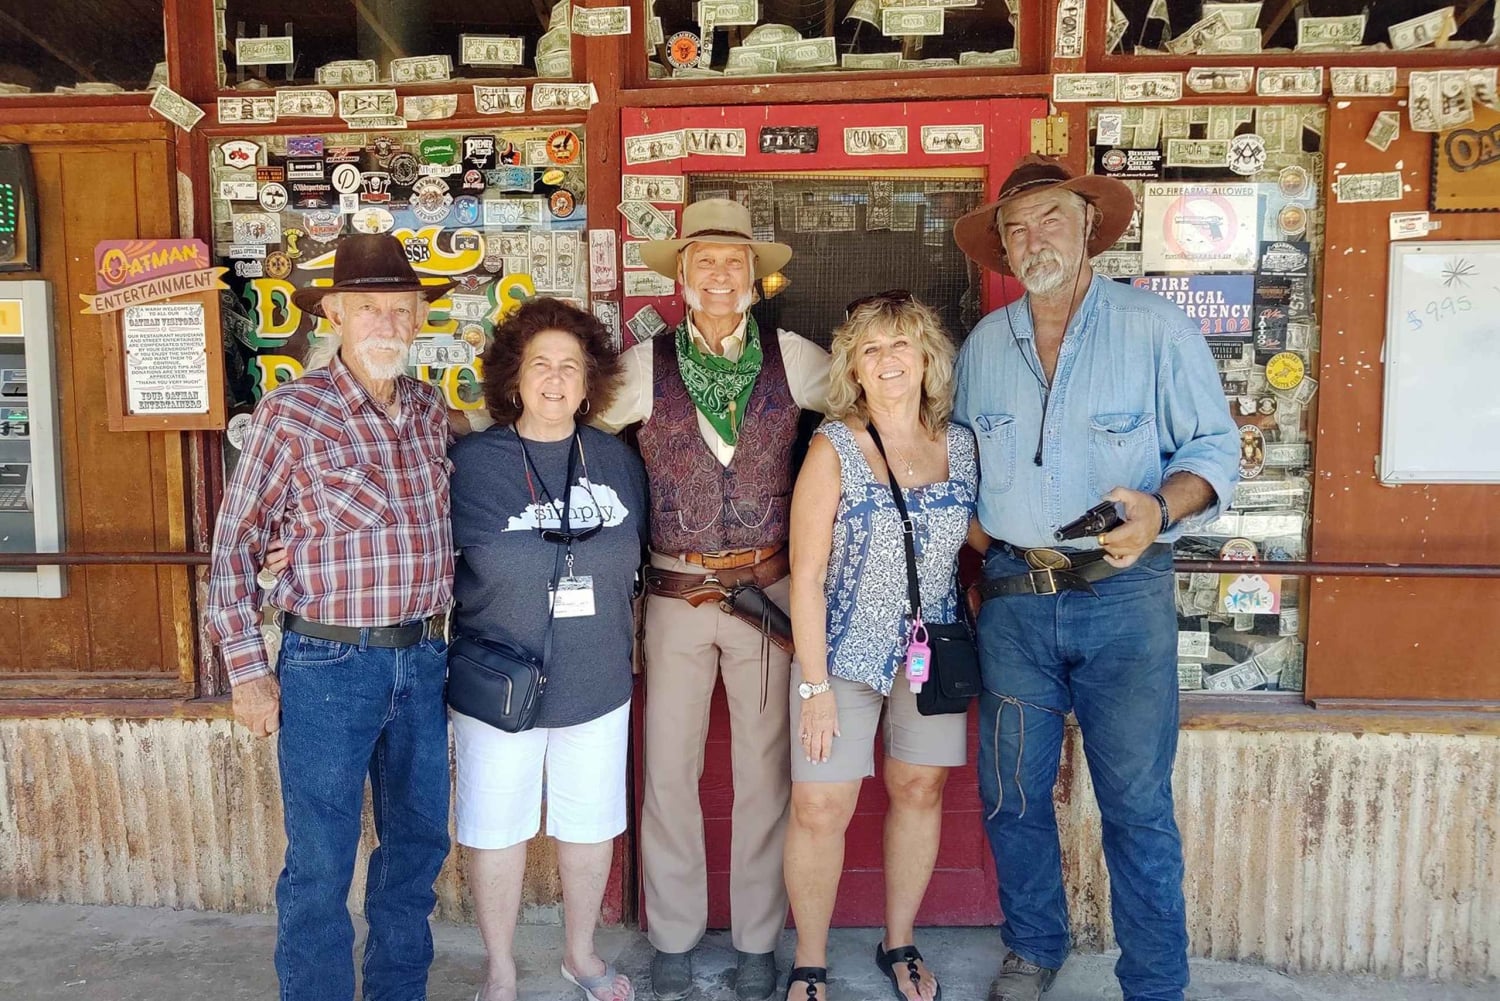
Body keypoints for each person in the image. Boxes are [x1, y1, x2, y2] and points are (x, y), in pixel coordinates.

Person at [951, 155, 1240, 1001]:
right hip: (1014, 601)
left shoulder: (1155, 328)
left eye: (1050, 217)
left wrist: (1160, 507)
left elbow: (1214, 449)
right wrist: (990, 542)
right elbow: (961, 463)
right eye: (1015, 227)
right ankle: (1033, 946)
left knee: (1136, 804)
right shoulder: (983, 346)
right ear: (1003, 248)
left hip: (1123, 595)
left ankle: (1154, 981)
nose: (1032, 237)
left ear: (1088, 227)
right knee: (1011, 795)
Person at [205, 233, 456, 1001]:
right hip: (328, 665)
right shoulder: (292, 412)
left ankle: (396, 993)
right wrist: (248, 674)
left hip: (424, 659)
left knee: (416, 847)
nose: (387, 322)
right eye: (368, 308)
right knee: (320, 861)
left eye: (401, 308)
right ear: (335, 315)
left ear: (420, 318)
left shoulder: (430, 411)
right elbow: (234, 545)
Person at [595, 198, 831, 1001]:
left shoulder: (794, 358)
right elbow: (570, 431)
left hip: (766, 593)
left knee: (765, 773)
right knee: (669, 769)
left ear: (755, 277)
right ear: (684, 276)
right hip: (675, 591)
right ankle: (672, 935)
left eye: (735, 261)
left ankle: (759, 940)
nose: (721, 275)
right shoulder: (642, 367)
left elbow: (869, 412)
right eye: (706, 261)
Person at [782, 293, 979, 1001]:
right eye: (871, 349)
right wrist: (814, 687)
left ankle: (899, 941)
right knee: (819, 806)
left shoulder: (961, 445)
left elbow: (983, 537)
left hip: (932, 652)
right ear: (854, 368)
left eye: (901, 345)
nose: (888, 360)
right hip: (843, 652)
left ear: (927, 359)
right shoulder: (833, 446)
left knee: (920, 790)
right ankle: (810, 962)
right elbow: (805, 575)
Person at [449, 298, 647, 1001]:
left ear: (590, 382)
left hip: (596, 677)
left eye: (571, 366)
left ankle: (581, 955)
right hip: (498, 682)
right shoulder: (472, 464)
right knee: (495, 827)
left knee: (589, 822)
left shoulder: (617, 460)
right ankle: (500, 968)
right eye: (541, 365)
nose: (556, 379)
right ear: (514, 377)